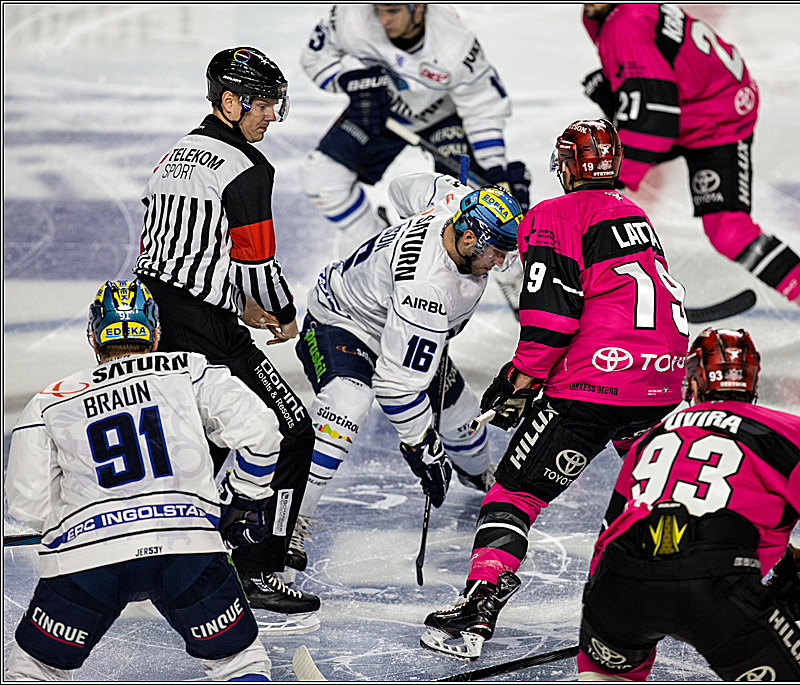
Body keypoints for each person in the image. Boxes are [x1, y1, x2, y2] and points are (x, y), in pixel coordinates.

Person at [420, 119, 691, 660]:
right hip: (663, 379)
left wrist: (520, 378)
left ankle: (476, 611)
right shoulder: (635, 215)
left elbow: (552, 314)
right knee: (656, 491)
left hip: (594, 382)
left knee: (514, 493)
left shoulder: (554, 214)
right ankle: (680, 591)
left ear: (566, 167)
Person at [3, 280, 281, 681]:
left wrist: (72, 527)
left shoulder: (49, 401)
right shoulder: (193, 370)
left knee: (35, 668)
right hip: (187, 550)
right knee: (239, 662)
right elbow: (262, 434)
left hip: (89, 563)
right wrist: (245, 499)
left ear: (94, 337)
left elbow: (28, 504)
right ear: (154, 333)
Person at [576, 327, 800, 681]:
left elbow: (606, 542)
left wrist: (607, 627)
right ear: (751, 380)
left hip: (619, 585)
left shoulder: (650, 439)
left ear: (692, 382)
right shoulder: (798, 436)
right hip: (716, 585)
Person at [133, 46, 320, 626]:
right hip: (206, 331)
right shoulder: (247, 168)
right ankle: (260, 565)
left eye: (274, 103)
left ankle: (156, 548)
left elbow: (174, 255)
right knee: (291, 431)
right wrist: (283, 313)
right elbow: (259, 262)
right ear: (230, 102)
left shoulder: (175, 155)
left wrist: (238, 306)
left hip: (157, 320)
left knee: (200, 438)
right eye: (263, 104)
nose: (271, 115)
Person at [580, 4, 800, 349]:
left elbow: (654, 120)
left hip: (719, 119)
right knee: (599, 177)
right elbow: (652, 88)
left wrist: (611, 178)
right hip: (693, 107)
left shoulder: (624, 22)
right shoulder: (606, 16)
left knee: (729, 229)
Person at [289, 173, 525, 570]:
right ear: (468, 240)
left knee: (465, 423)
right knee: (346, 409)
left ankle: (479, 473)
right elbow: (396, 387)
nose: (500, 262)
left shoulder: (455, 203)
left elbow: (402, 188)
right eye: (496, 252)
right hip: (344, 323)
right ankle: (289, 520)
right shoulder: (427, 291)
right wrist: (422, 448)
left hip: (400, 324)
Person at [298, 3, 531, 315]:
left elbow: (482, 107)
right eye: (379, 9)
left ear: (419, 7)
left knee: (471, 202)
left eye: (393, 10)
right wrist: (351, 81)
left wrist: (494, 170)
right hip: (382, 106)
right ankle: (381, 253)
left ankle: (515, 276)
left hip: (445, 115)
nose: (383, 19)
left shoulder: (454, 45)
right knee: (322, 177)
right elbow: (314, 58)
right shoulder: (351, 16)